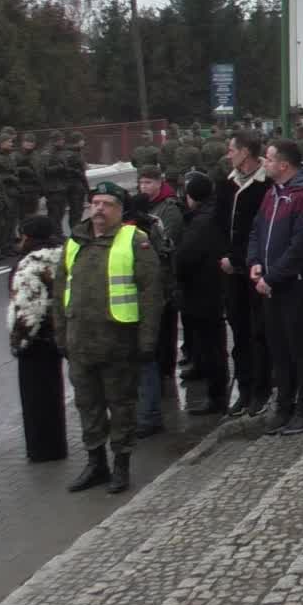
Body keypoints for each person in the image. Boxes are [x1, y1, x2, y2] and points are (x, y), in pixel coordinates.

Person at [54, 180, 163, 494]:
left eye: (108, 204)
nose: (100, 209)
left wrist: (147, 341)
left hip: (118, 342)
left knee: (121, 406)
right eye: (96, 203)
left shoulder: (135, 241)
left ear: (120, 210)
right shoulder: (74, 241)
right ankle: (95, 463)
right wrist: (61, 335)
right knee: (87, 406)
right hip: (80, 342)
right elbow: (60, 291)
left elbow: (151, 294)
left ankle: (121, 465)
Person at [248, 139, 303, 436]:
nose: (264, 162)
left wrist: (273, 277)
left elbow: (302, 247)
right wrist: (255, 261)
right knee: (278, 348)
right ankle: (284, 405)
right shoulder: (273, 193)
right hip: (270, 284)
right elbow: (257, 230)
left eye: (268, 159)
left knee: (299, 347)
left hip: (295, 285)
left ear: (283, 165)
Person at [215, 129, 273, 418]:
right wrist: (223, 256)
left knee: (259, 330)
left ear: (246, 152)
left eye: (232, 150)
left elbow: (263, 228)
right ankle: (245, 388)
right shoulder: (226, 183)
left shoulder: (266, 184)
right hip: (231, 270)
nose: (228, 154)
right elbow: (219, 224)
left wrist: (241, 258)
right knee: (238, 330)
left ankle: (263, 389)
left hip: (256, 268)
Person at [7, 215, 68, 462]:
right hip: (58, 335)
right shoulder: (62, 257)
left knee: (36, 400)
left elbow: (27, 310)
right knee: (54, 394)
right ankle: (58, 445)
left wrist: (19, 343)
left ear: (29, 237)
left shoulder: (30, 265)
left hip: (36, 342)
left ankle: (42, 450)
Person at [129, 166, 183, 436]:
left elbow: (168, 244)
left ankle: (165, 377)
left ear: (160, 183)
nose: (144, 187)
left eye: (149, 182)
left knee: (162, 337)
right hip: (145, 291)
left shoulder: (167, 209)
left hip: (162, 284)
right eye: (141, 182)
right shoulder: (140, 212)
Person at [175, 172, 230, 416]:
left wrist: (176, 271)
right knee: (208, 342)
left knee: (211, 345)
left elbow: (186, 257)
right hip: (208, 288)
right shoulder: (210, 214)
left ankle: (217, 398)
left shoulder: (202, 221)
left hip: (203, 290)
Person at [0, 130, 21, 257]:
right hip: (4, 194)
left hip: (13, 193)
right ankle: (3, 246)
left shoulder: (10, 156)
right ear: (2, 143)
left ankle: (10, 245)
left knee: (12, 222)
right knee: (5, 223)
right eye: (9, 142)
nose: (11, 144)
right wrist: (7, 177)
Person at [63, 131, 89, 235]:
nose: (84, 142)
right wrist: (87, 188)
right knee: (76, 211)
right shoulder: (74, 154)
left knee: (76, 211)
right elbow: (79, 172)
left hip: (72, 185)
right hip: (75, 186)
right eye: (82, 140)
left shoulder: (70, 152)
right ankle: (76, 233)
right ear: (78, 141)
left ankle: (76, 231)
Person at [44, 131, 69, 231]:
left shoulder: (61, 152)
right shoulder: (48, 153)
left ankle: (58, 232)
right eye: (61, 139)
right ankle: (53, 233)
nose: (63, 141)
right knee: (54, 214)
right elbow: (45, 170)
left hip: (62, 187)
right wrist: (59, 167)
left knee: (60, 212)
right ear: (55, 141)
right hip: (53, 189)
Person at [17, 133, 45, 220]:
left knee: (33, 217)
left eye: (32, 141)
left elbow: (41, 173)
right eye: (27, 141)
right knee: (23, 218)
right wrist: (23, 169)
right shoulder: (16, 155)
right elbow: (12, 171)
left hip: (34, 191)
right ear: (22, 143)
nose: (29, 143)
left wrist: (42, 190)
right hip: (22, 191)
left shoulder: (37, 156)